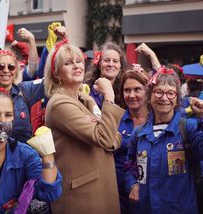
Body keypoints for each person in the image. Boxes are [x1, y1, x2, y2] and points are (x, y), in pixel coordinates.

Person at [44, 40, 125, 213]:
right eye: (68, 63)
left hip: (101, 188)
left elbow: (114, 139)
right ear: (56, 73)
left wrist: (104, 131)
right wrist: (109, 96)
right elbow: (105, 137)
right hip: (82, 195)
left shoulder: (84, 99)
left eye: (78, 61)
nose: (76, 66)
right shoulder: (60, 103)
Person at [125, 66, 203, 213]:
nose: (164, 98)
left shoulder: (189, 129)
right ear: (149, 97)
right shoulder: (139, 134)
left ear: (177, 99)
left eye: (171, 93)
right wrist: (132, 184)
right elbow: (130, 165)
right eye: (159, 92)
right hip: (146, 208)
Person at [0, 49, 45, 143]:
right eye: (0, 66)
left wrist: (56, 47)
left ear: (16, 72)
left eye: (11, 67)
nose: (6, 70)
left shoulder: (25, 90)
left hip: (23, 155)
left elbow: (51, 80)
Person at [115, 64, 150, 213]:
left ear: (147, 91)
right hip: (120, 195)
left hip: (152, 192)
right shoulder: (116, 119)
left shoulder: (158, 119)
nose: (131, 95)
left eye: (137, 89)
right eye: (127, 90)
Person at [85, 42, 127, 108]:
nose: (110, 64)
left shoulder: (125, 91)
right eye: (107, 60)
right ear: (99, 64)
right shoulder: (86, 89)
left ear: (120, 67)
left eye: (115, 61)